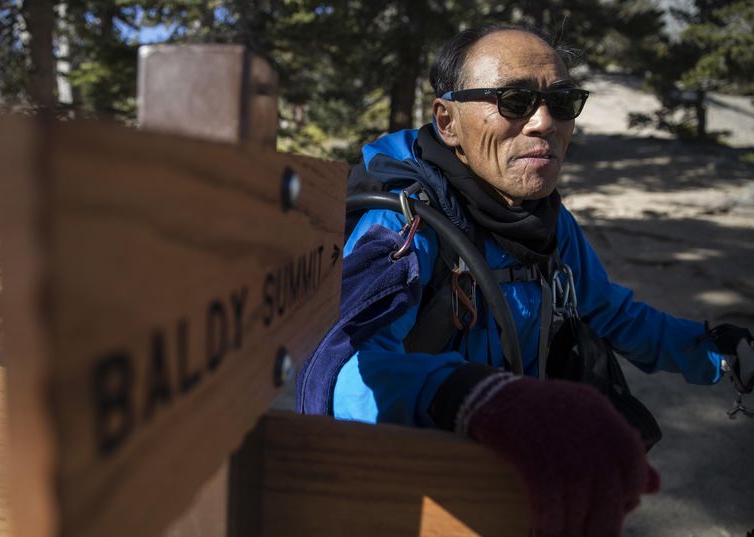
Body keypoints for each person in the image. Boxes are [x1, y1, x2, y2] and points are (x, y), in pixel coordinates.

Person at [295, 24, 754, 536]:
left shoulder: (546, 220)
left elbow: (611, 312)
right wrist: (472, 397)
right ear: (447, 121)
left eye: (561, 101)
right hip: (417, 498)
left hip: (508, 487)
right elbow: (337, 370)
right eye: (513, 101)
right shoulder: (404, 223)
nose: (543, 123)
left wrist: (720, 352)